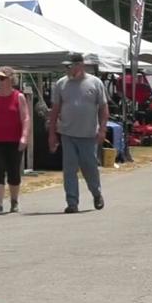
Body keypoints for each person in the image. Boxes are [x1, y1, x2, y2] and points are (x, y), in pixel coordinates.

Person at [48, 52, 108, 214]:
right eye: (66, 66)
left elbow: (103, 108)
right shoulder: (61, 84)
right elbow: (54, 110)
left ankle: (96, 193)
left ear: (80, 65)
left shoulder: (95, 83)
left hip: (88, 135)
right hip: (67, 133)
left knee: (90, 168)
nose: (67, 69)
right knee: (69, 169)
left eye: (70, 66)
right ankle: (72, 202)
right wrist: (52, 133)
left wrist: (102, 129)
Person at [0, 66, 30, 215]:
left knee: (14, 172)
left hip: (14, 140)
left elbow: (26, 118)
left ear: (10, 80)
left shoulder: (19, 97)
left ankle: (14, 201)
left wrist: (24, 136)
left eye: (2, 78)